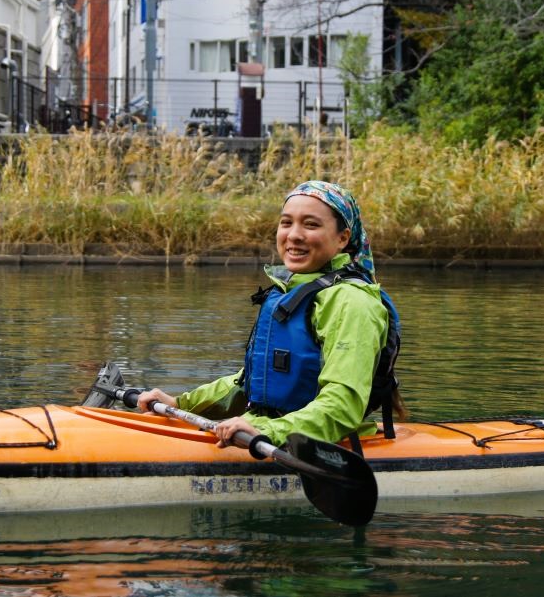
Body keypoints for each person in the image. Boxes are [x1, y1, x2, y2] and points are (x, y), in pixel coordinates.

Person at [138, 180, 404, 449]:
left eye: (311, 224)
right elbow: (250, 382)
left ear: (342, 238)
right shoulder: (296, 290)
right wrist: (180, 403)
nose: (294, 235)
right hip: (268, 432)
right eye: (287, 223)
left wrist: (266, 430)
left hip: (326, 444)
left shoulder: (352, 302)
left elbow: (343, 405)